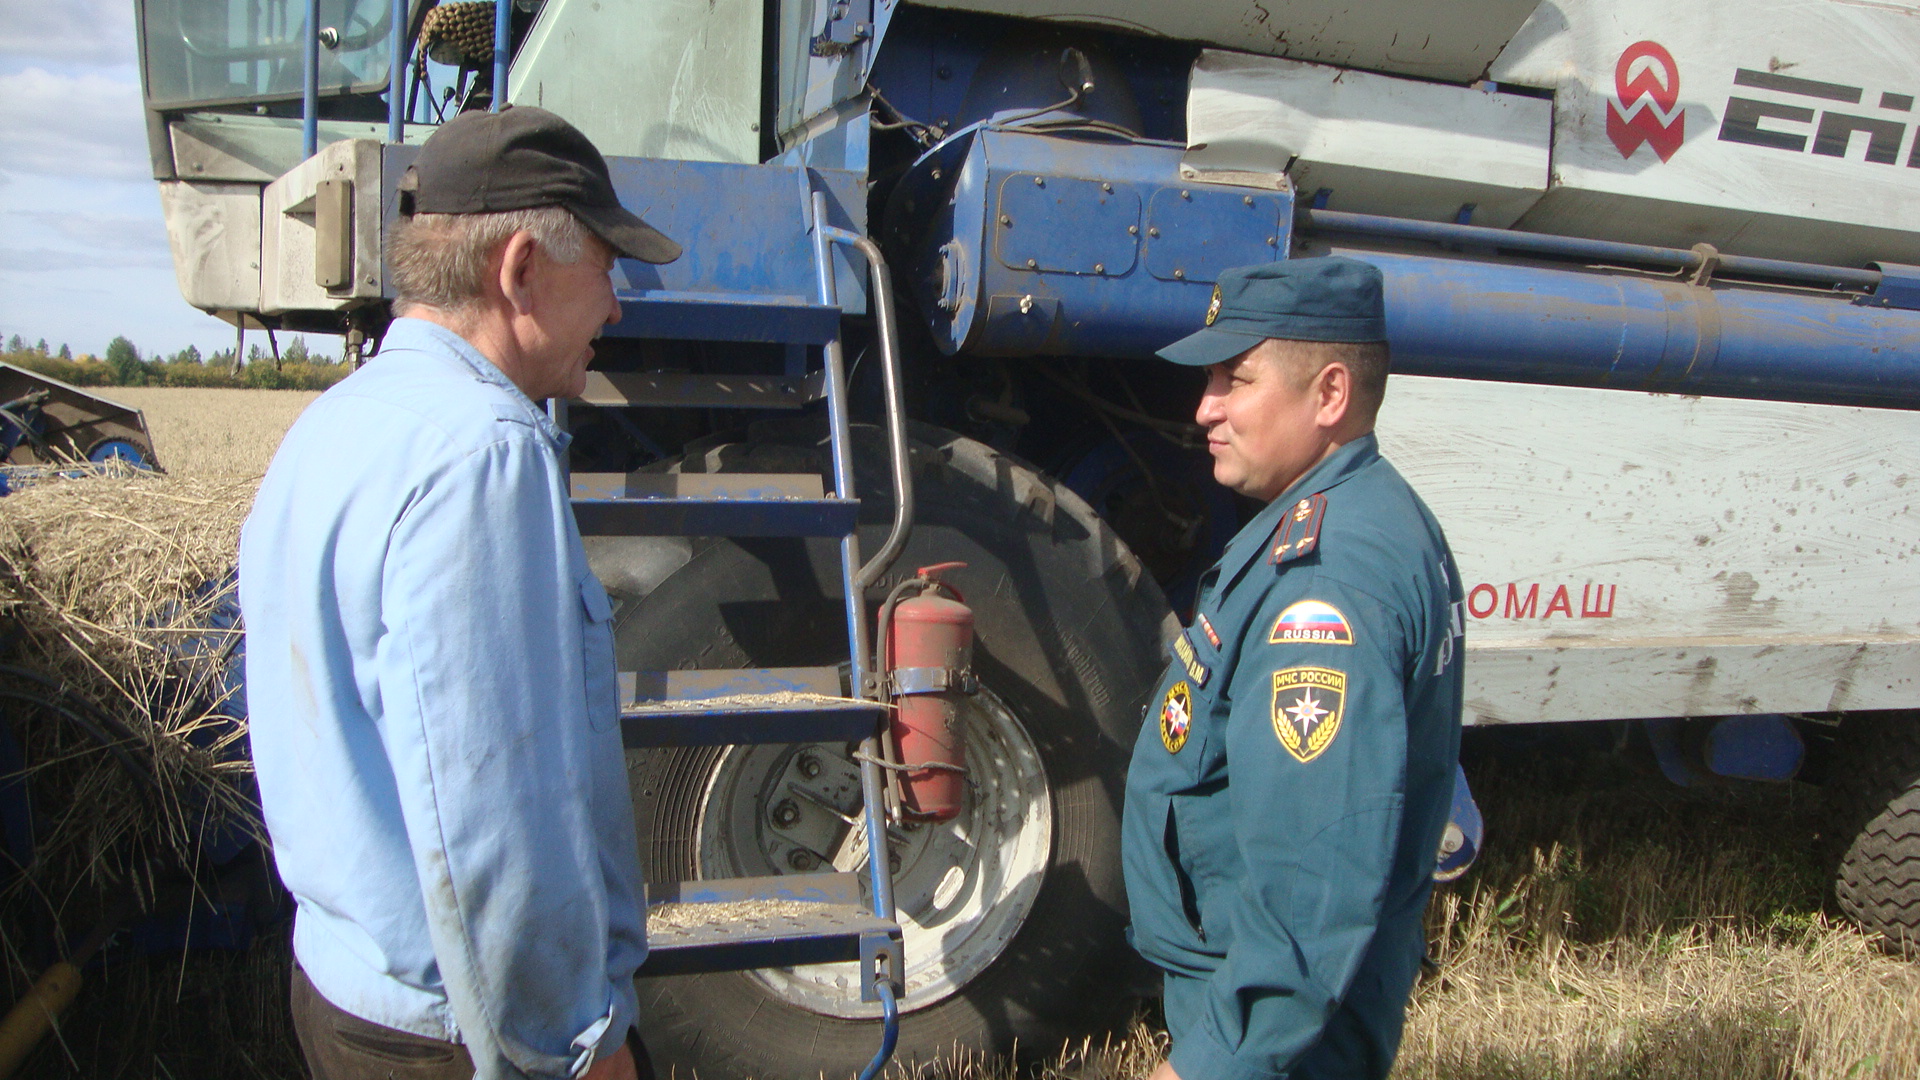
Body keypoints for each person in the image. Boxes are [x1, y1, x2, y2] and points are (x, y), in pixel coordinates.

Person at [239, 106, 682, 1080]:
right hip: (461, 1038)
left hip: (344, 985)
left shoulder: (340, 422)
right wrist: (580, 1047)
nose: (615, 307)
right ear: (520, 267)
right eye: (605, 268)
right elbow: (495, 819)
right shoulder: (485, 450)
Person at [1120, 258, 1464, 1080]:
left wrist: (1208, 1064)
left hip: (1276, 1039)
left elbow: (1315, 883)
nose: (1205, 408)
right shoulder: (1354, 512)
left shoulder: (1325, 583)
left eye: (1234, 380)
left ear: (1331, 394)